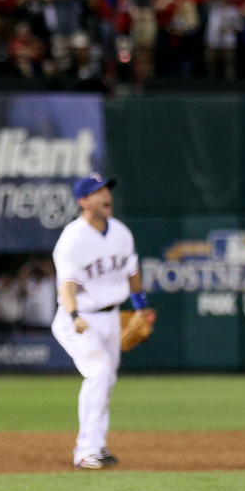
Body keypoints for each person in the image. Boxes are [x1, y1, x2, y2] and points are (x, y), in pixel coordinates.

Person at [51, 174, 152, 470]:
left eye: (106, 189)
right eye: (98, 191)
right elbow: (66, 285)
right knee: (99, 372)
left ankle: (98, 444)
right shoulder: (73, 237)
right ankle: (85, 451)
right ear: (83, 202)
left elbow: (132, 273)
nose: (106, 195)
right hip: (79, 318)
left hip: (111, 317)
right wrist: (74, 315)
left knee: (106, 380)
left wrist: (141, 307)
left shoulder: (121, 232)